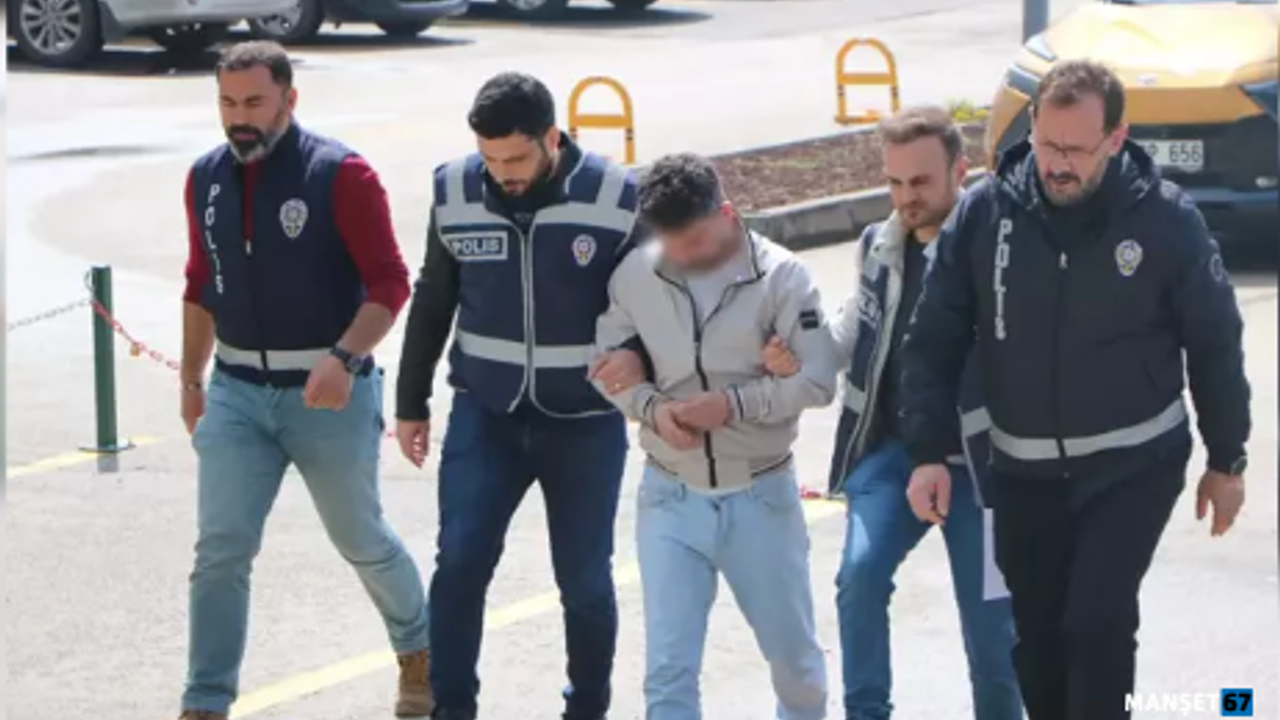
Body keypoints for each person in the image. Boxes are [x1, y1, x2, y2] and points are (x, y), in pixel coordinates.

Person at [898, 59, 1251, 720]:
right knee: (1037, 644)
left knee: (1097, 622)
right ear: (1032, 124)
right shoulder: (985, 213)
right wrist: (926, 451)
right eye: (1047, 144)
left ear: (1116, 139)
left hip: (1133, 465)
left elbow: (1215, 341)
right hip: (1022, 472)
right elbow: (933, 337)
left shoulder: (1166, 221)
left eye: (1077, 150)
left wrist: (1226, 458)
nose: (1058, 165)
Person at [178, 41, 432, 720]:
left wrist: (344, 358)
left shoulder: (341, 174)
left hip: (330, 394)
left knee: (361, 540)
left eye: (254, 102)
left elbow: (390, 283)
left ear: (289, 99)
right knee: (220, 552)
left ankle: (420, 652)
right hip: (235, 393)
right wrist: (191, 382)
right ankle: (205, 701)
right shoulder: (204, 178)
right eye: (227, 103)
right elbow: (200, 283)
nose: (239, 118)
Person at [394, 72, 647, 720]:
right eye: (490, 159)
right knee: (459, 566)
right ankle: (453, 710)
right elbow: (434, 294)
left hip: (584, 423)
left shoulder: (616, 195)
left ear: (551, 138)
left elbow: (656, 303)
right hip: (487, 416)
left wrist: (642, 362)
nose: (502, 174)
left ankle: (586, 709)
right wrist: (411, 401)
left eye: (515, 159)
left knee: (585, 583)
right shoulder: (454, 189)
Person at [762, 106, 1022, 720]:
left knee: (991, 633)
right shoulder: (878, 245)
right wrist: (793, 357)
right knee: (859, 576)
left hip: (982, 469)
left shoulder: (997, 248)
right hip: (894, 455)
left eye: (921, 182)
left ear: (961, 171)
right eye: (895, 182)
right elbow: (848, 337)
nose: (907, 198)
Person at [592, 152, 834, 720]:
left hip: (762, 498)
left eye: (696, 241)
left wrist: (730, 405)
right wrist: (653, 410)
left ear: (727, 214)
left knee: (797, 669)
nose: (684, 257)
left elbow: (820, 379)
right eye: (671, 245)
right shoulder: (636, 276)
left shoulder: (783, 277)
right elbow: (605, 365)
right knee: (667, 675)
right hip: (669, 498)